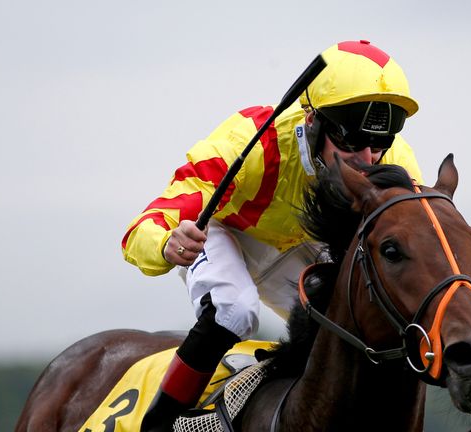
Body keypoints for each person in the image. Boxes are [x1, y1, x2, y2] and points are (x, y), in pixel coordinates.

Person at [122, 40, 424, 431]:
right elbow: (146, 226)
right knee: (234, 310)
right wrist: (167, 243)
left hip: (303, 246)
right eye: (350, 141)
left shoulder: (396, 162)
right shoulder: (251, 143)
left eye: (380, 143)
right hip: (230, 235)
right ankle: (160, 423)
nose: (368, 159)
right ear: (313, 121)